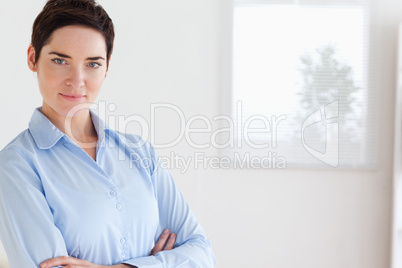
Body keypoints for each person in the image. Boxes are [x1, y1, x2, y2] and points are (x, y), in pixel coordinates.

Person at [0, 0, 216, 267]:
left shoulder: (139, 152)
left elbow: (202, 254)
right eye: (60, 60)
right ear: (33, 58)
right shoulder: (16, 165)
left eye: (92, 64)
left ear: (107, 66)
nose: (77, 80)